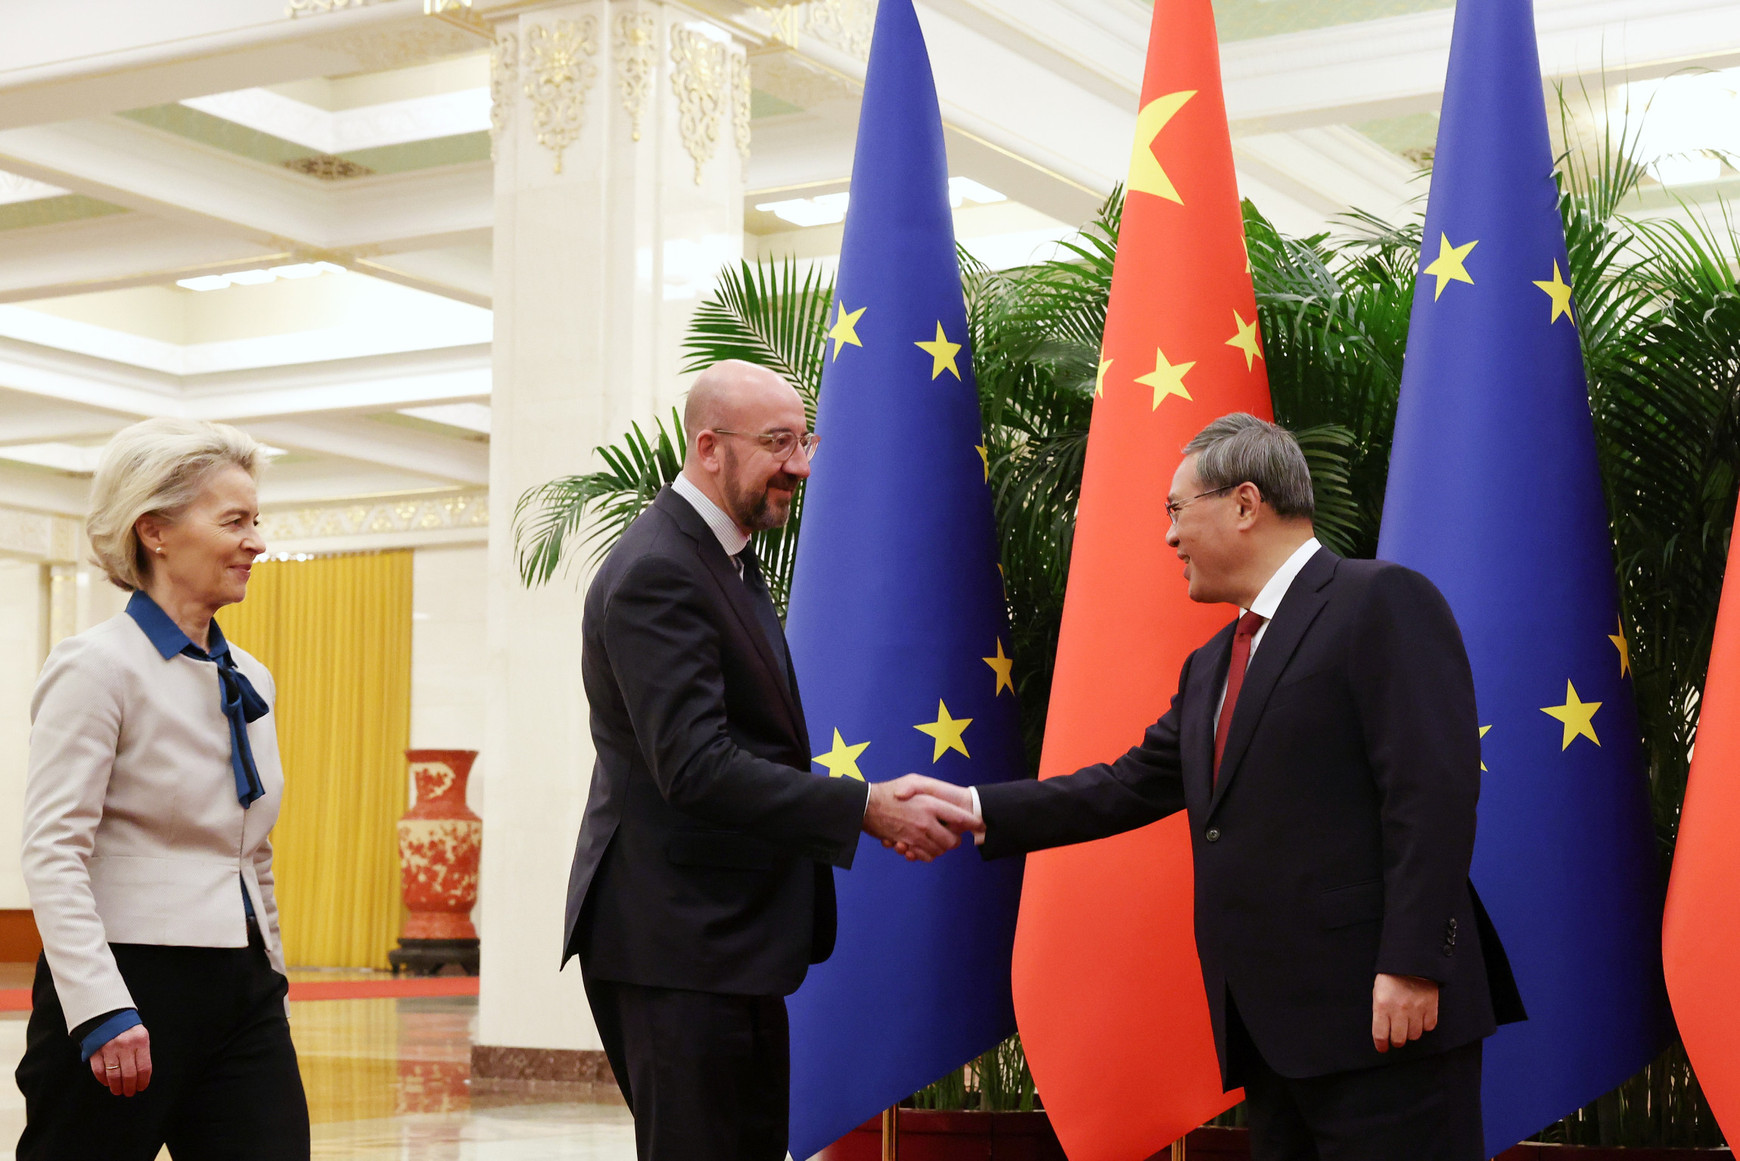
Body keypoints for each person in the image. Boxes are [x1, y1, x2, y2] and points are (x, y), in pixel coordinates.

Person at [902, 413, 1524, 1161]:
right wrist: (971, 807)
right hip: (1275, 1036)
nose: (1168, 537)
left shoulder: (1379, 600)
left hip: (1385, 1020)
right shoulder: (1211, 666)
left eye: (1175, 509)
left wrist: (1414, 961)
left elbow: (1433, 792)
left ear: (1245, 503)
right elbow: (1126, 785)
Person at [561, 359, 978, 1161]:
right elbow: (696, 766)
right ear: (709, 447)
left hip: (725, 941)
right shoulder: (659, 569)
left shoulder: (725, 560)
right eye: (779, 442)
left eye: (805, 440)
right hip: (675, 943)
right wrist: (865, 807)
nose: (802, 463)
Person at [16, 418, 309, 1160]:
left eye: (257, 519)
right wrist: (101, 1006)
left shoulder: (251, 676)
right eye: (234, 521)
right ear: (155, 531)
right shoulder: (96, 667)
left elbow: (254, 845)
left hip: (241, 987)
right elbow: (53, 850)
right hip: (127, 981)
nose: (257, 541)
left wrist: (269, 966)